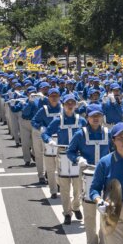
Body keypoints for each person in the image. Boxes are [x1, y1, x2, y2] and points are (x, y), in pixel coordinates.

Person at [68, 105, 112, 244]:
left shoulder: (108, 133)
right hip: (88, 175)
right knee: (89, 214)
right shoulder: (81, 134)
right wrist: (78, 158)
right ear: (87, 117)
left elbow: (117, 150)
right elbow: (70, 151)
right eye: (93, 116)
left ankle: (105, 242)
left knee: (106, 212)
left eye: (98, 115)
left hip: (107, 176)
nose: (96, 118)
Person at [42, 94, 88, 222]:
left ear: (75, 105)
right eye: (68, 103)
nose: (70, 105)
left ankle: (76, 207)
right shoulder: (58, 120)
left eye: (72, 102)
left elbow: (88, 134)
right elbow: (45, 133)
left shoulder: (81, 120)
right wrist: (49, 140)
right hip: (62, 154)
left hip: (77, 156)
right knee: (64, 187)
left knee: (78, 187)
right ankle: (67, 213)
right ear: (63, 105)